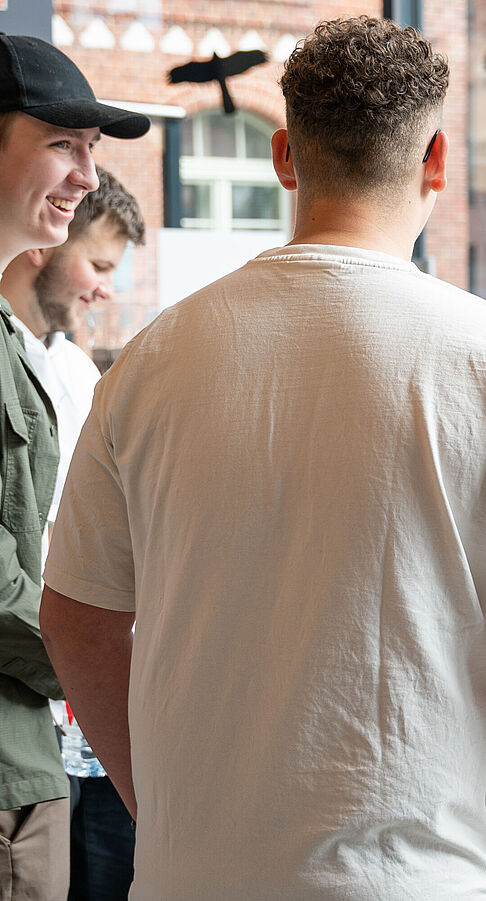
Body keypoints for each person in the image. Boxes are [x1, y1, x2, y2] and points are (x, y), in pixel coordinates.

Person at [39, 16, 486, 901]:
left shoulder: (150, 361)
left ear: (284, 157)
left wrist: (162, 813)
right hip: (420, 880)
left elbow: (76, 622)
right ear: (438, 161)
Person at [0, 33, 148, 901]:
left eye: (92, 149)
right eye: (63, 142)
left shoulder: (27, 352)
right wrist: (106, 660)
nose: (87, 175)